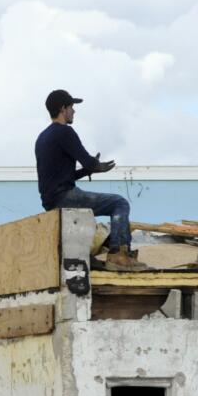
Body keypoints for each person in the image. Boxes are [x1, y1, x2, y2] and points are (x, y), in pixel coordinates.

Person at [35, 89, 145, 271]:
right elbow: (87, 160)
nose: (74, 111)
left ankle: (95, 253)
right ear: (63, 108)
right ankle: (119, 254)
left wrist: (87, 171)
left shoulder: (42, 138)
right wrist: (95, 166)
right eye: (71, 107)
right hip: (65, 197)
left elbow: (60, 177)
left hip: (50, 200)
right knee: (119, 203)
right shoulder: (65, 132)